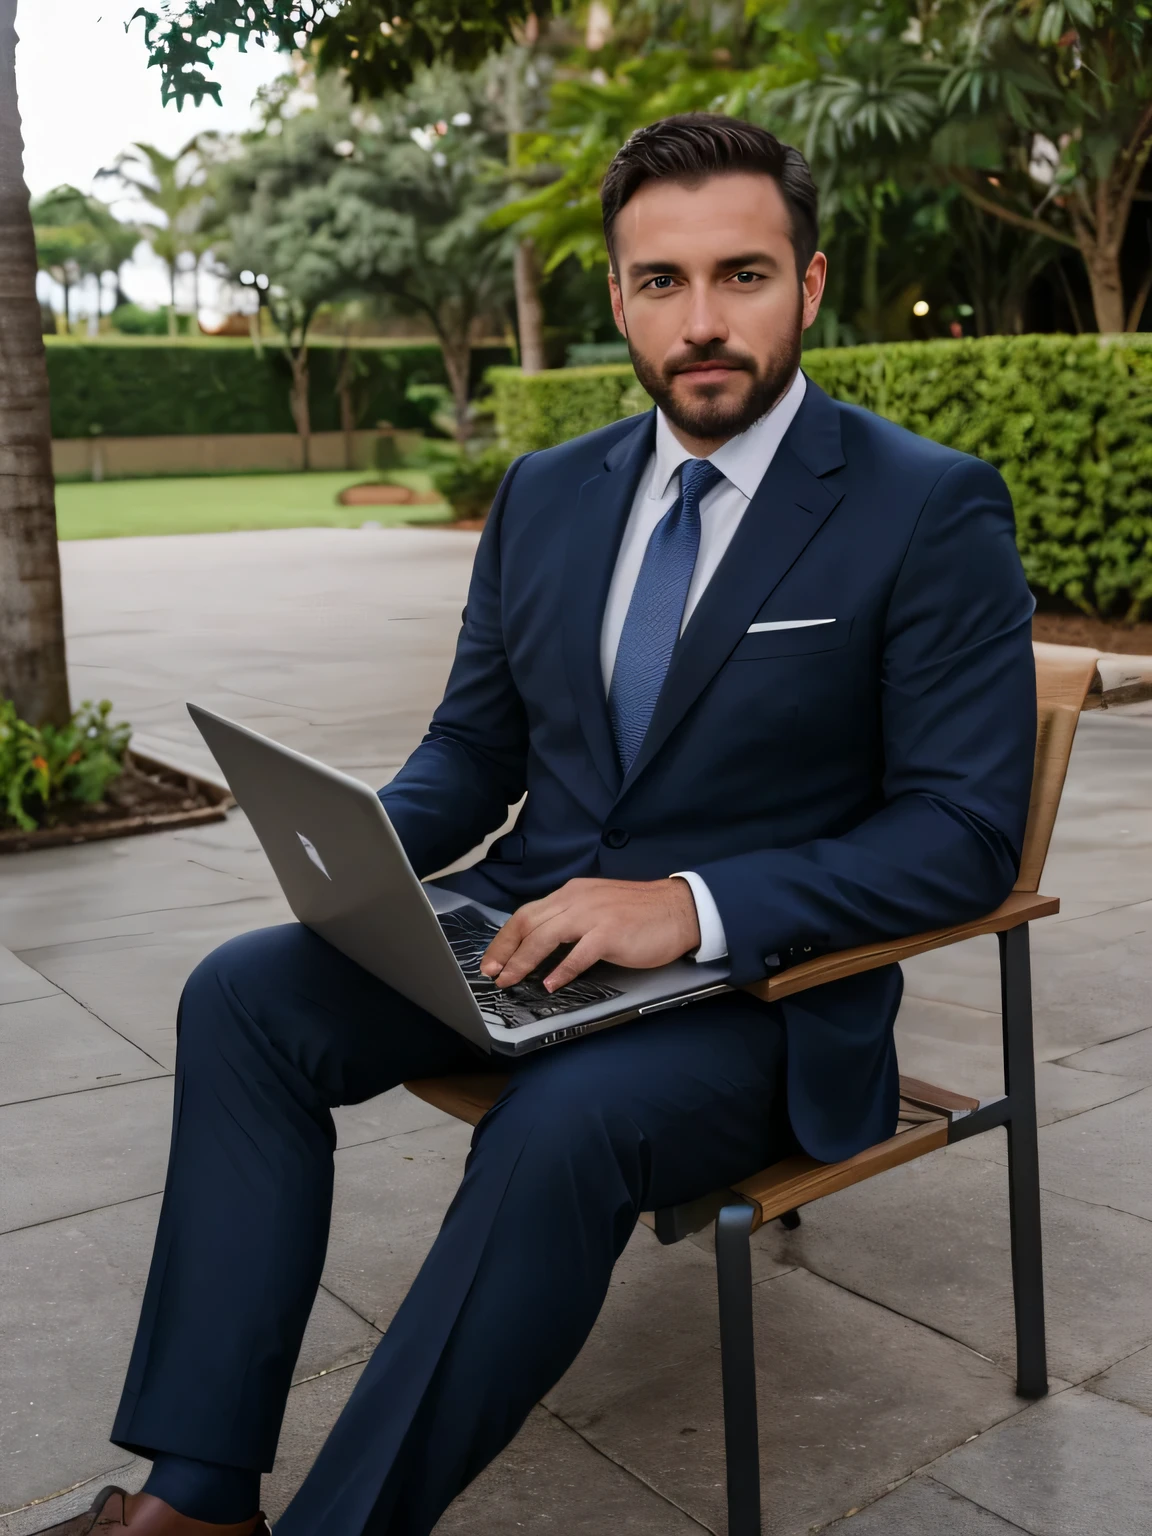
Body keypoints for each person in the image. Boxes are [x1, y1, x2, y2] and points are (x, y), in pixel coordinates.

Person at [42, 114, 1036, 1536]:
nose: (702, 323)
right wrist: (366, 852)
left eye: (742, 276)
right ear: (617, 299)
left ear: (810, 288)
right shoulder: (548, 493)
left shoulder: (926, 507)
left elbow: (960, 835)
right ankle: (197, 1497)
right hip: (527, 935)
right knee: (245, 997)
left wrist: (685, 903)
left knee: (561, 1128)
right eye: (660, 283)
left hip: (758, 1005)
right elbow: (474, 746)